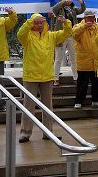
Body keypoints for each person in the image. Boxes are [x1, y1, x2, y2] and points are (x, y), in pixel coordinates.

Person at [17, 13, 72, 143]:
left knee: (47, 106)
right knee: (28, 105)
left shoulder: (51, 36)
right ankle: (25, 133)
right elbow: (20, 33)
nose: (40, 25)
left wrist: (66, 22)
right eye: (37, 23)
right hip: (31, 76)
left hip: (47, 76)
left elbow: (66, 33)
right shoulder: (28, 37)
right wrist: (31, 21)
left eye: (42, 22)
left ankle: (48, 132)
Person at [52, 0, 86, 85]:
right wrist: (63, 2)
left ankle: (76, 78)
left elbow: (81, 10)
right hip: (61, 35)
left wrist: (82, 3)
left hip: (72, 35)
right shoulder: (59, 9)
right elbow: (53, 9)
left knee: (74, 58)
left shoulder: (73, 9)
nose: (68, 0)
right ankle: (55, 78)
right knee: (59, 58)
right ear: (62, 0)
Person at [72, 10, 98, 109]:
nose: (91, 19)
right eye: (89, 17)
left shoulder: (97, 27)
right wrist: (84, 26)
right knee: (82, 84)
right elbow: (75, 35)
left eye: (92, 17)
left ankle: (96, 100)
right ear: (84, 18)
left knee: (96, 83)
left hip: (96, 62)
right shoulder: (78, 27)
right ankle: (79, 101)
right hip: (83, 61)